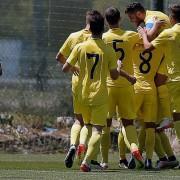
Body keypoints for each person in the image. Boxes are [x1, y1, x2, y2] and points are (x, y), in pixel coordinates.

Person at [62, 10, 121, 172]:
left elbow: (64, 68)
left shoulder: (80, 47)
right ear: (102, 28)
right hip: (99, 95)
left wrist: (75, 67)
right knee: (98, 129)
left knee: (83, 123)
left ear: (89, 27)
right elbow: (115, 76)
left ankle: (78, 145)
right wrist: (119, 67)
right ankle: (86, 161)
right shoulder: (108, 50)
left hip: (82, 94)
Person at [126, 2, 178, 169]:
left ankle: (130, 157)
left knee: (137, 123)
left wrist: (142, 32)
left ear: (140, 13)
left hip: (160, 79)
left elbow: (148, 36)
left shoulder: (152, 19)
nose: (132, 21)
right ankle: (165, 157)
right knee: (152, 125)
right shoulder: (161, 22)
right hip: (159, 74)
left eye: (132, 17)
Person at [102, 7, 143, 169]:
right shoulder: (130, 36)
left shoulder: (103, 38)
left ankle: (104, 161)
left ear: (106, 21)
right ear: (120, 20)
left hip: (108, 85)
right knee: (128, 123)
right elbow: (146, 38)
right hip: (126, 86)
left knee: (105, 125)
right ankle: (134, 149)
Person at [56, 12, 91, 168]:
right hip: (95, 84)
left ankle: (72, 145)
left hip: (77, 83)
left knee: (79, 120)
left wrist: (73, 68)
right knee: (92, 124)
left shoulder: (74, 36)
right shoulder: (99, 39)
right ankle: (88, 154)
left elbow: (59, 57)